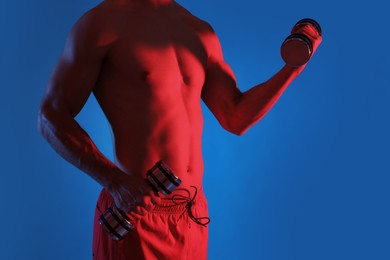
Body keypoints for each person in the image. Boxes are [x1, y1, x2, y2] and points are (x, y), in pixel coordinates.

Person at [38, 0, 322, 259]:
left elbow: (236, 118)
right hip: (137, 215)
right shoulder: (101, 24)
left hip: (192, 214)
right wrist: (114, 182)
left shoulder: (198, 30)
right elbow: (50, 117)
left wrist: (292, 68)